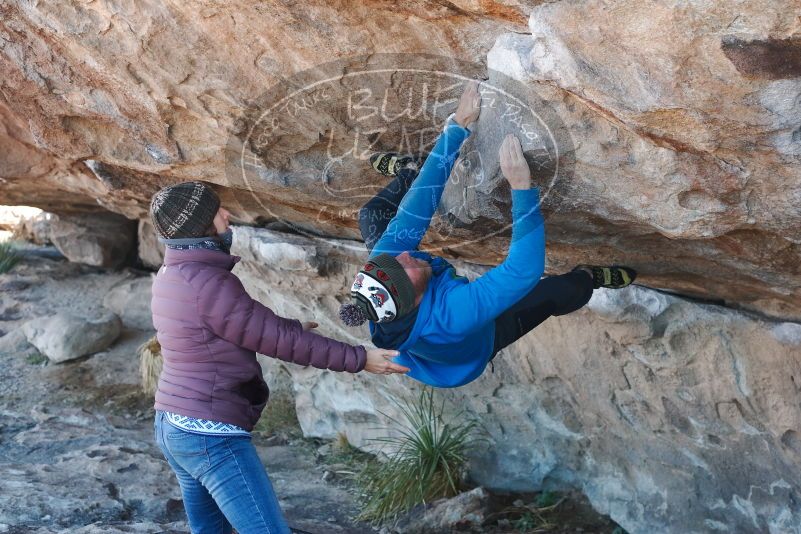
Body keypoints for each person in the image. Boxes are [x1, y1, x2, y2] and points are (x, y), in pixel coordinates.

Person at [148, 181, 407, 534]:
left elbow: (232, 329)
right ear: (200, 227)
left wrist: (289, 325)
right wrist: (361, 358)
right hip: (209, 433)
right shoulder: (208, 282)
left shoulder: (171, 274)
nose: (227, 216)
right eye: (216, 212)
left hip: (172, 424)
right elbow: (280, 342)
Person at [339, 81, 636, 388]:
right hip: (478, 343)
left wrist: (457, 126)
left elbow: (416, 208)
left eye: (394, 259)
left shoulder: (385, 264)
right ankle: (589, 277)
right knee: (562, 291)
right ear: (414, 299)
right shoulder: (454, 315)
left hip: (422, 311)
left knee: (371, 215)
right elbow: (523, 270)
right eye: (406, 266)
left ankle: (408, 169)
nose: (405, 254)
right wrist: (522, 188)